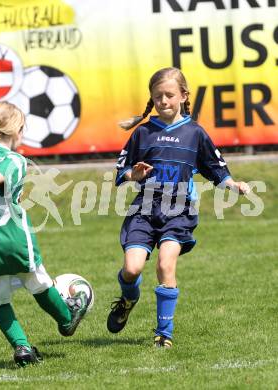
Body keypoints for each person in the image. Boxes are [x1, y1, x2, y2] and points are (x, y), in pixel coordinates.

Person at [106, 67, 250, 348]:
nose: (163, 101)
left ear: (184, 95)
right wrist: (132, 176)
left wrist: (235, 186)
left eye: (169, 95)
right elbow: (121, 169)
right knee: (132, 269)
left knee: (165, 263)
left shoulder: (195, 133)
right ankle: (128, 299)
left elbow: (216, 170)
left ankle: (164, 334)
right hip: (144, 211)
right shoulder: (143, 133)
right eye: (157, 96)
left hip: (179, 211)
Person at [0, 102, 88, 367]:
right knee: (38, 282)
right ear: (17, 130)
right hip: (12, 237)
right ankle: (67, 318)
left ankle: (22, 348)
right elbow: (2, 171)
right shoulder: (17, 159)